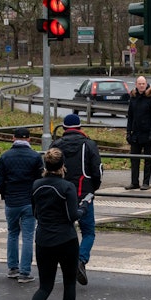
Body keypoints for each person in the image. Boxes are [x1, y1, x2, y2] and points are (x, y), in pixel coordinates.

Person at [16, 148, 85, 300]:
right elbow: (73, 216)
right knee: (69, 283)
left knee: (45, 286)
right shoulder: (67, 187)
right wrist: (85, 206)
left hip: (43, 240)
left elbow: (36, 213)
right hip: (66, 240)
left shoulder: (36, 185)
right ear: (63, 166)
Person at [53, 112, 102, 286]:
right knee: (88, 231)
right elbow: (97, 170)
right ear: (80, 128)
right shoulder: (89, 145)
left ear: (64, 128)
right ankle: (80, 260)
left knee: (67, 230)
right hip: (84, 194)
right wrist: (92, 189)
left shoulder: (57, 145)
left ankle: (70, 263)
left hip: (61, 195)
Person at [0, 126, 44, 283]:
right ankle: (25, 272)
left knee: (12, 233)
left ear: (13, 138)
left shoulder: (5, 156)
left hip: (11, 201)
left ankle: (12, 268)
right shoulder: (35, 157)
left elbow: (0, 180)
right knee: (29, 236)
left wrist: (5, 194)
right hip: (29, 202)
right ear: (29, 139)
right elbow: (39, 180)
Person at [125, 75, 151, 190]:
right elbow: (130, 116)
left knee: (148, 160)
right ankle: (134, 182)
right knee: (134, 159)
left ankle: (146, 182)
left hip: (148, 133)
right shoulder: (133, 97)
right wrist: (128, 132)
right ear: (136, 84)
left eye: (143, 84)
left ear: (146, 84)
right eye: (139, 84)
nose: (141, 86)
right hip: (136, 134)